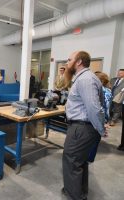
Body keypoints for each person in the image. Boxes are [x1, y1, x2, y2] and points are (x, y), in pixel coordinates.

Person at [62, 51, 106, 200]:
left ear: (79, 61)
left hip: (81, 128)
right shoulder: (85, 78)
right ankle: (80, 192)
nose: (67, 63)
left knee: (72, 162)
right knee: (80, 161)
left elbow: (94, 108)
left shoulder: (85, 80)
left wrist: (101, 129)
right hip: (83, 127)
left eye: (69, 60)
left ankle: (74, 195)